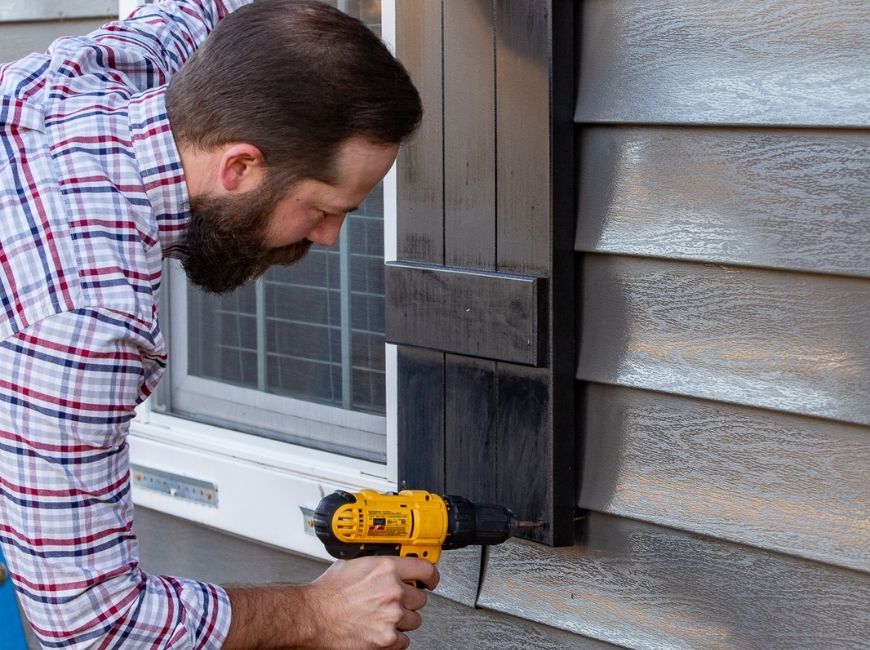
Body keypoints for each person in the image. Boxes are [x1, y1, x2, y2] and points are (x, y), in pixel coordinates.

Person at [0, 1, 438, 648]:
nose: (330, 238)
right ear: (239, 166)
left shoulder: (81, 78)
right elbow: (94, 625)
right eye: (320, 208)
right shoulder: (86, 319)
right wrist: (319, 614)